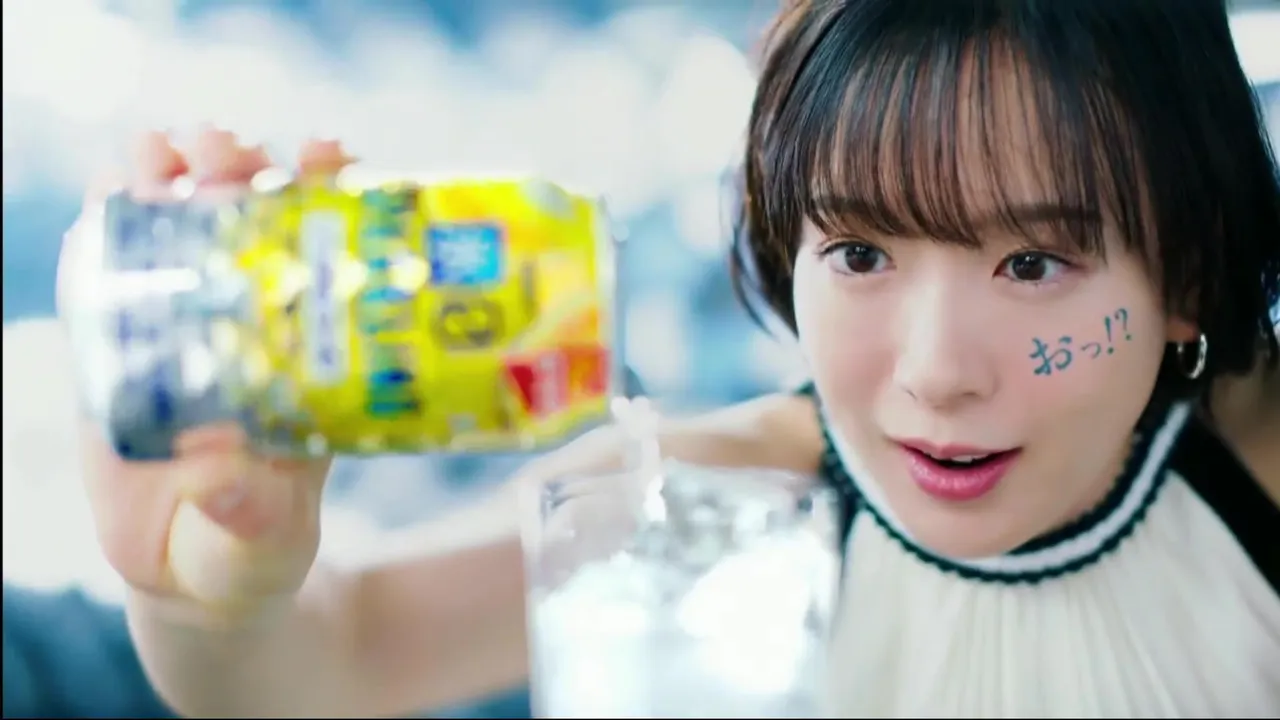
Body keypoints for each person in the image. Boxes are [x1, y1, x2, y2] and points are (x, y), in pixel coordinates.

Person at [63, 0, 1280, 716]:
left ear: (1185, 273)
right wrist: (213, 590)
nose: (934, 372)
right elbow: (332, 660)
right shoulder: (715, 501)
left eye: (1031, 265)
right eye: (858, 253)